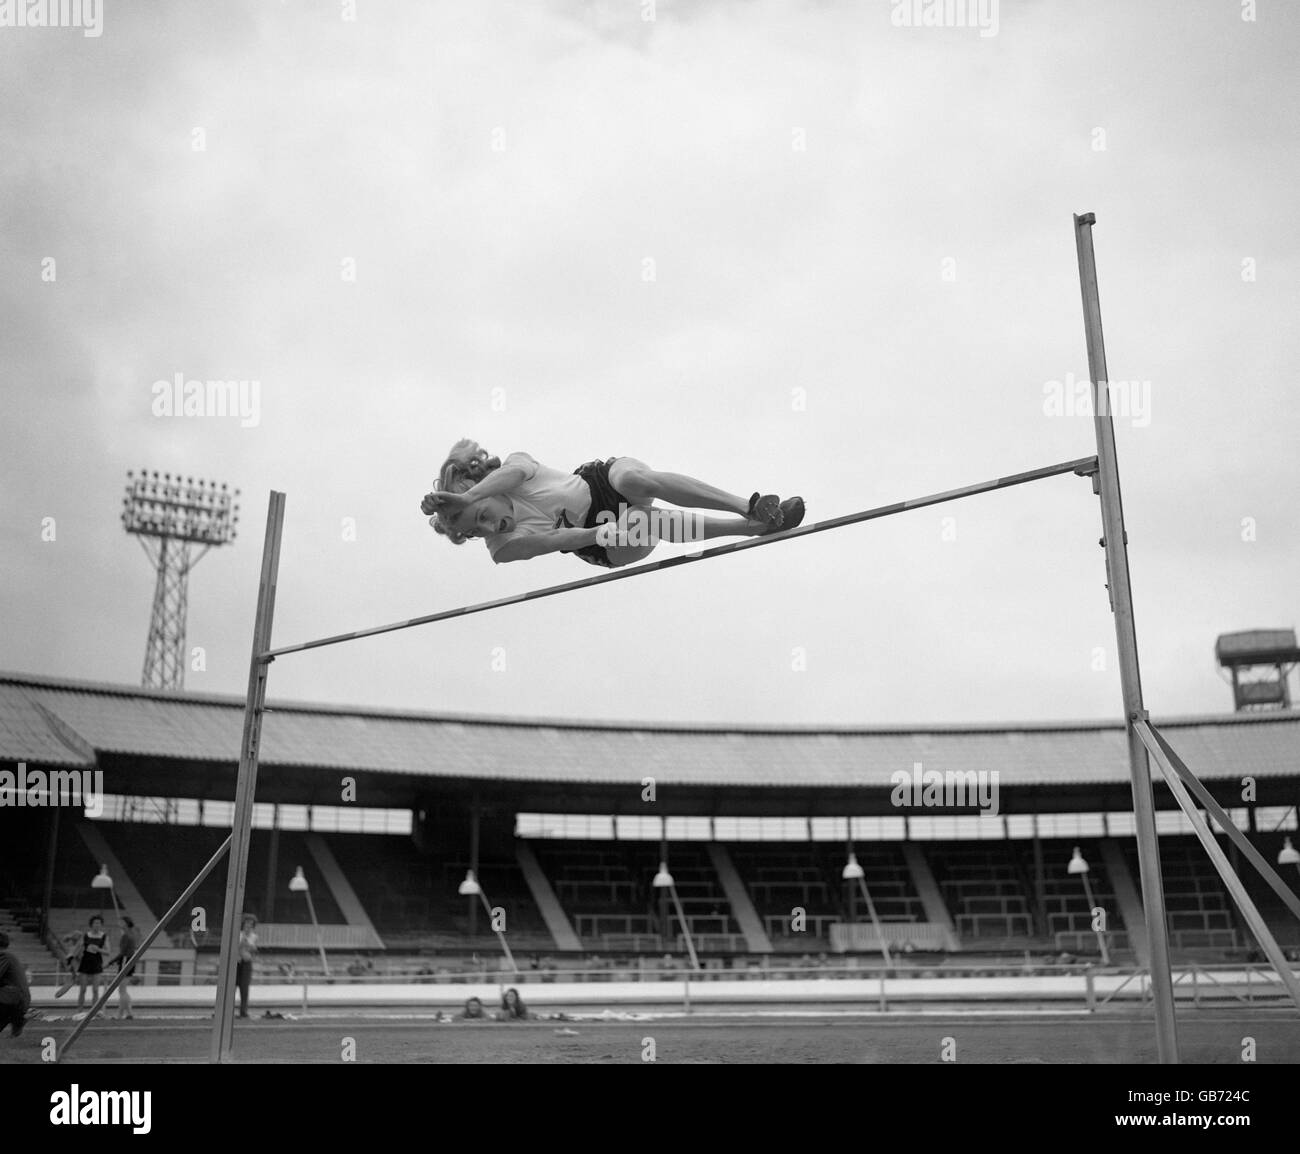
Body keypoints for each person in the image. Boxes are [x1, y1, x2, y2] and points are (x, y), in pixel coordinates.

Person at [421, 440, 805, 570]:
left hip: (600, 484)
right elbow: (555, 541)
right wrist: (598, 531)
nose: (490, 530)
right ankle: (753, 528)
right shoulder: (502, 550)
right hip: (599, 541)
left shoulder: (517, 468)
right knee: (640, 520)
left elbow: (513, 473)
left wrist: (466, 498)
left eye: (483, 516)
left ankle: (748, 507)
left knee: (632, 480)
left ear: (484, 489)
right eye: (476, 532)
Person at [0, 931, 31, 1037]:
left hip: (13, 998)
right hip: (18, 1000)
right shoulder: (10, 957)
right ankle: (18, 1020)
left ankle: (18, 1019)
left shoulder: (4, 956)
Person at [75, 914, 109, 1012]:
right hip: (85, 964)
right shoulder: (85, 936)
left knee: (95, 990)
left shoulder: (104, 936)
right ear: (91, 924)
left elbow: (108, 952)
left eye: (99, 923)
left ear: (101, 925)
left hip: (97, 964)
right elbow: (77, 948)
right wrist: (74, 957)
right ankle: (79, 1011)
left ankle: (94, 1011)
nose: (97, 925)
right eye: (95, 923)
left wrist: (98, 949)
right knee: (83, 989)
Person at [111, 916, 140, 1020]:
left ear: (126, 924)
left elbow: (123, 952)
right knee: (123, 990)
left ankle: (120, 1014)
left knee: (121, 990)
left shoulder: (126, 936)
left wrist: (111, 962)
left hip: (125, 961)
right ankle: (128, 1013)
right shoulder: (131, 934)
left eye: (121, 922)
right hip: (130, 961)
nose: (119, 923)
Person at [236, 914, 258, 1019]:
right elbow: (238, 946)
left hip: (246, 963)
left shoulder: (253, 936)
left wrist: (246, 942)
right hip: (237, 962)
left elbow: (253, 949)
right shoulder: (238, 934)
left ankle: (243, 1011)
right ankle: (228, 1010)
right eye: (246, 924)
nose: (248, 926)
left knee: (244, 988)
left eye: (251, 925)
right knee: (232, 988)